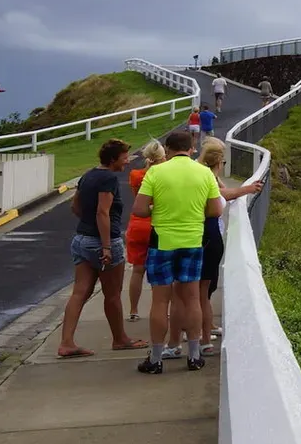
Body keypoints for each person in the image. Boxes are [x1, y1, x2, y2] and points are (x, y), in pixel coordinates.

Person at [161, 137, 261, 359]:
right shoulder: (207, 177)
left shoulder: (192, 175)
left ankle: (176, 342)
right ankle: (203, 342)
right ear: (220, 162)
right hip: (211, 237)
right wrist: (244, 189)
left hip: (193, 235)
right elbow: (218, 204)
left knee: (181, 294)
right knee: (202, 294)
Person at [132, 129, 222, 374]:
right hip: (193, 240)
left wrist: (158, 210)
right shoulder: (204, 172)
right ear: (191, 148)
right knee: (192, 297)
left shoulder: (156, 171)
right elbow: (215, 210)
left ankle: (157, 358)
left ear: (168, 149)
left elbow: (139, 209)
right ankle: (194, 356)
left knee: (160, 300)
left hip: (162, 241)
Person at [57, 139, 148, 358]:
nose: (127, 161)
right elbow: (102, 212)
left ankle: (66, 342)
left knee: (79, 292)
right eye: (125, 157)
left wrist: (87, 225)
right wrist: (106, 246)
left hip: (81, 239)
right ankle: (120, 339)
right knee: (113, 294)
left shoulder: (88, 175)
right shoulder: (108, 178)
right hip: (103, 242)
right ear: (113, 159)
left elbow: (75, 206)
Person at [123, 140, 167, 321]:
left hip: (137, 224)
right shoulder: (164, 175)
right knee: (162, 271)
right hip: (158, 224)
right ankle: (162, 309)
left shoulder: (135, 175)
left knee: (137, 270)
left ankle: (133, 310)